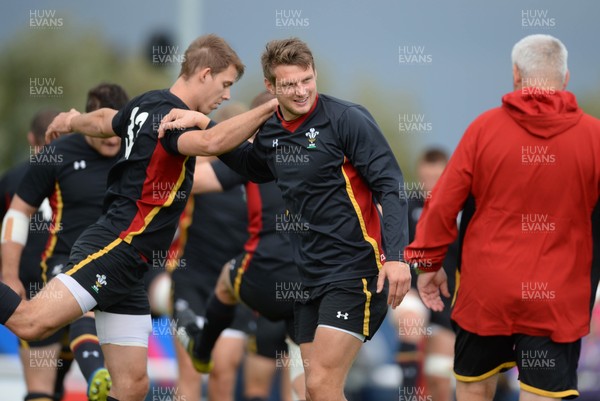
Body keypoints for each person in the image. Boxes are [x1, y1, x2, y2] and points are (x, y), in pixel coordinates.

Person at [0, 34, 278, 401]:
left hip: (133, 265)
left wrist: (73, 119)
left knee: (132, 386)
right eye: (226, 84)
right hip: (117, 247)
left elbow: (105, 121)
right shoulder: (173, 120)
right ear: (205, 74)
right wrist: (273, 106)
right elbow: (213, 143)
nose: (226, 95)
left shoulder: (146, 102)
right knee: (30, 323)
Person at [159, 37, 411, 401]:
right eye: (290, 84)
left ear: (315, 74)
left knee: (322, 383)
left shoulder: (347, 119)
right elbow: (250, 166)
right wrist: (204, 123)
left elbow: (391, 186)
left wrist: (398, 257)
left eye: (306, 80)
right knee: (312, 389)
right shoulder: (273, 131)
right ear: (270, 86)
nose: (301, 91)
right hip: (307, 276)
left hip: (355, 273)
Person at [404, 34, 600, 401]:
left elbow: (442, 203)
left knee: (474, 389)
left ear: (515, 74)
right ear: (566, 77)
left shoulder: (484, 130)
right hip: (556, 300)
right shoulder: (595, 137)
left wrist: (428, 263)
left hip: (486, 295)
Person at [2, 84, 129, 401]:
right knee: (40, 389)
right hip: (60, 265)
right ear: (90, 120)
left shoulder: (136, 151)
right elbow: (18, 214)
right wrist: (8, 274)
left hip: (117, 272)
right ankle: (95, 373)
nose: (113, 137)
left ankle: (97, 374)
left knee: (127, 386)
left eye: (118, 127)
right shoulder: (58, 153)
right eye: (105, 128)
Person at [179, 90, 305, 401]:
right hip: (312, 279)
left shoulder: (254, 158)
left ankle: (202, 346)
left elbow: (190, 182)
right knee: (312, 383)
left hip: (263, 272)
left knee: (226, 280)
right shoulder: (321, 155)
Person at [167, 101, 253, 401]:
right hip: (192, 281)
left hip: (235, 284)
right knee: (189, 376)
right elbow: (176, 174)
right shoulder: (201, 165)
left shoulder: (256, 170)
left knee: (223, 374)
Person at [0, 108, 75, 401]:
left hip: (29, 288)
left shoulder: (13, 178)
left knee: (40, 388)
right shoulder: (82, 172)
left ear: (33, 138)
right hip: (77, 284)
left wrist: (7, 275)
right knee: (58, 380)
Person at [394, 148, 456, 400]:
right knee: (412, 320)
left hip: (447, 300)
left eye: (436, 176)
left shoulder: (457, 209)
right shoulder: (406, 206)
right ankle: (408, 394)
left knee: (439, 378)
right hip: (412, 292)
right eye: (426, 176)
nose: (430, 183)